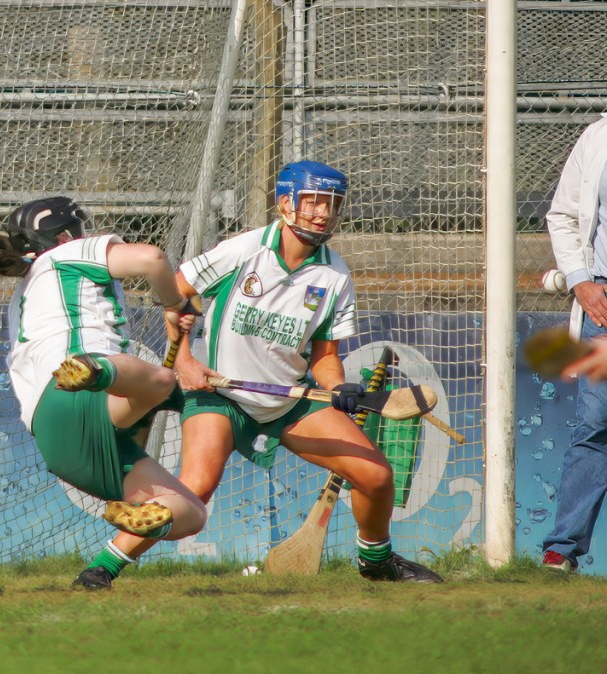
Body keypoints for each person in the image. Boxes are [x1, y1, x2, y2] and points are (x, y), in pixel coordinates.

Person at [72, 160, 443, 589]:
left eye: (332, 204)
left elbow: (324, 355)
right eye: (313, 201)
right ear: (285, 203)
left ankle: (376, 561)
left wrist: (337, 386)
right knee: (195, 487)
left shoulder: (335, 275)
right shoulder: (244, 250)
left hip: (288, 401)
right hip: (219, 396)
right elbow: (177, 293)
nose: (323, 213)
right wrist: (185, 361)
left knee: (376, 475)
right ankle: (102, 568)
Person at [0, 196, 207, 547]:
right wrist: (174, 304)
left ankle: (148, 516)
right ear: (63, 235)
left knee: (190, 512)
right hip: (79, 382)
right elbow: (152, 259)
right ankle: (94, 368)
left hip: (55, 436)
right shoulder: (66, 253)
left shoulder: (24, 293)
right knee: (161, 381)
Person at [541, 114, 607, 572]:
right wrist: (581, 280)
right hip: (602, 304)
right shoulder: (598, 134)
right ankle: (561, 550)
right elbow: (562, 215)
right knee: (595, 425)